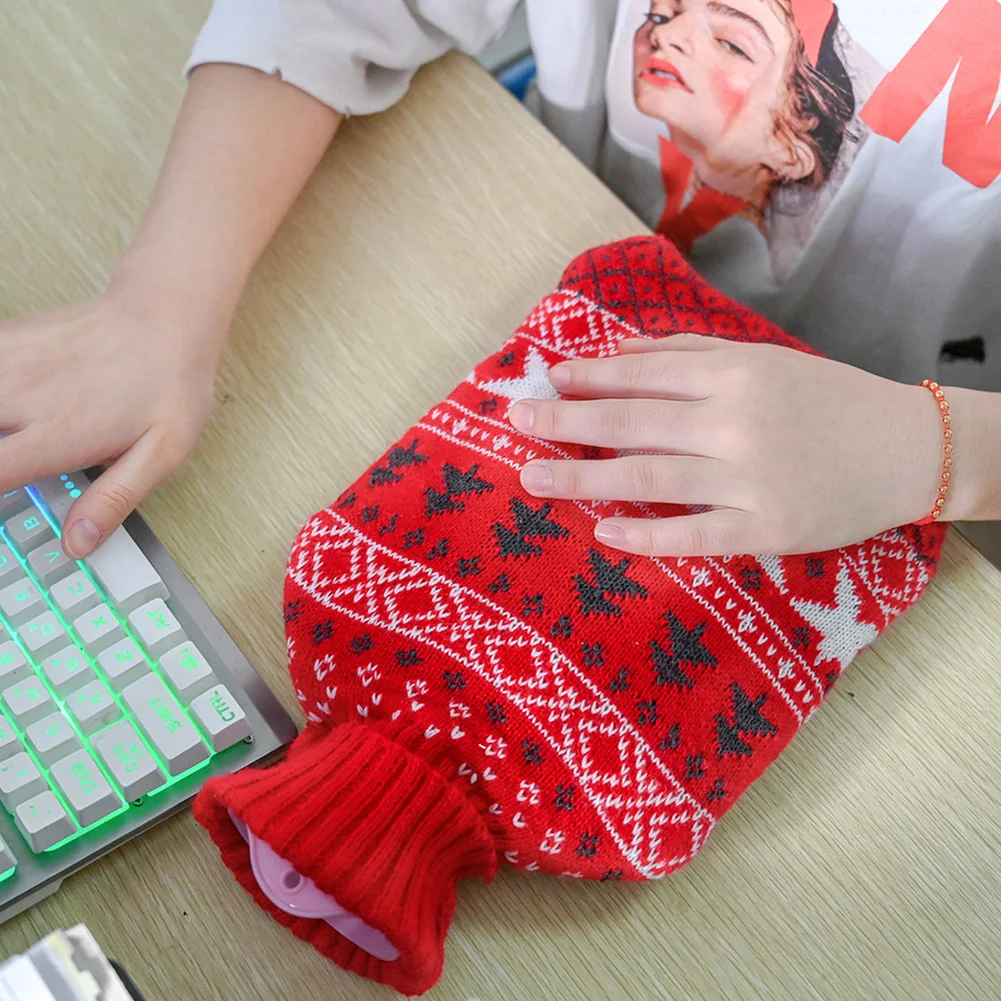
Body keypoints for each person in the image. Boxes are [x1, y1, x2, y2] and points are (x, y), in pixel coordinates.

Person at [2, 0, 1000, 560]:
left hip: (915, 483)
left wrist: (932, 449)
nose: (665, 33)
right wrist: (163, 299)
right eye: (664, 16)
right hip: (544, 252)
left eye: (729, 41)